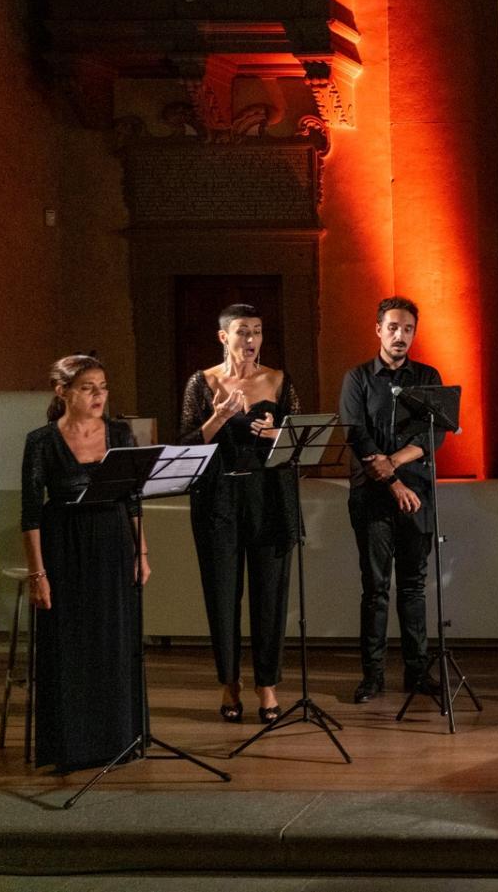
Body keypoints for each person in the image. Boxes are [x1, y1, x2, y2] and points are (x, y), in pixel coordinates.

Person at [20, 354, 147, 771]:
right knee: (71, 645)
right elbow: (30, 512)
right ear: (63, 392)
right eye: (88, 388)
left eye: (103, 387)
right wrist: (38, 574)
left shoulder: (120, 433)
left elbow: (132, 500)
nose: (99, 396)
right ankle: (72, 747)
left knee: (114, 641)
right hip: (64, 547)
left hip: (113, 544)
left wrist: (141, 552)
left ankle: (119, 740)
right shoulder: (41, 441)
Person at [178, 303, 301, 725]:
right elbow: (188, 445)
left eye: (257, 331)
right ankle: (229, 683)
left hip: (268, 498)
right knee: (222, 595)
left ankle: (267, 684)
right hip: (219, 500)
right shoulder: (202, 382)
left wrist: (276, 435)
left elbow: (300, 444)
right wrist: (220, 416)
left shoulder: (280, 381)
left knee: (270, 596)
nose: (250, 340)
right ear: (223, 337)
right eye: (242, 331)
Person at [338, 295, 446, 704]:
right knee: (376, 588)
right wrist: (390, 481)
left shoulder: (428, 377)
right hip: (372, 495)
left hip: (416, 493)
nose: (401, 336)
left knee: (414, 587)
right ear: (378, 330)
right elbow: (356, 433)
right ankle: (373, 677)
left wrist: (396, 466)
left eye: (408, 329)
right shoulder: (358, 378)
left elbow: (435, 434)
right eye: (394, 328)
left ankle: (418, 673)